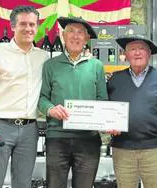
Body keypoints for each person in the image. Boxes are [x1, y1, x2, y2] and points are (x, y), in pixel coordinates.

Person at [0, 5, 48, 188]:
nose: (28, 28)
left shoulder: (43, 57)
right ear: (13, 26)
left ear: (37, 27)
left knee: (23, 184)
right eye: (23, 24)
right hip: (0, 127)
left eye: (32, 24)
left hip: (30, 129)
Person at [38, 16, 108, 188]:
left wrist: (106, 120)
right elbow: (42, 98)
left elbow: (102, 100)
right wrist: (51, 109)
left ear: (86, 38)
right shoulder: (51, 65)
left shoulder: (96, 66)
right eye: (71, 32)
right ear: (63, 36)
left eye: (80, 33)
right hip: (57, 138)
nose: (75, 37)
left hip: (88, 139)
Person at [107, 34, 157, 188]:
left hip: (155, 150)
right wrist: (108, 125)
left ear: (149, 54)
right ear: (126, 55)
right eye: (132, 49)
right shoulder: (114, 79)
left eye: (142, 49)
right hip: (123, 149)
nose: (137, 53)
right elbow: (105, 109)